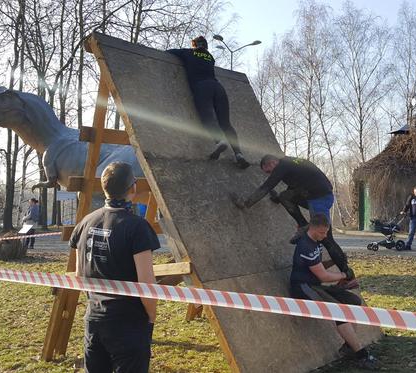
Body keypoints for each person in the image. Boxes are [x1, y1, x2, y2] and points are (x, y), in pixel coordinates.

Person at [70, 162, 159, 372]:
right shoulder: (138, 227)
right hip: (128, 323)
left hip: (94, 320)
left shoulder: (85, 222)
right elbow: (147, 284)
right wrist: (151, 318)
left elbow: (78, 275)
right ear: (133, 188)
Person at [230, 154, 352, 276]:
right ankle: (304, 225)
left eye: (268, 171)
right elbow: (294, 185)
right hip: (316, 194)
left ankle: (347, 274)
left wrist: (246, 203)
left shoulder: (282, 166)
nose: (269, 174)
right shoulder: (290, 162)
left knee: (326, 238)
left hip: (319, 198)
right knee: (285, 196)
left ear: (271, 163)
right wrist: (278, 199)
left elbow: (267, 186)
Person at [289, 214, 377, 370]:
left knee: (354, 302)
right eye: (322, 233)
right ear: (313, 228)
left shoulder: (316, 242)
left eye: (326, 233)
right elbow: (322, 275)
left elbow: (318, 265)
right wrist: (344, 275)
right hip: (302, 287)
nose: (324, 236)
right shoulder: (305, 246)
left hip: (315, 285)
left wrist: (335, 261)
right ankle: (361, 354)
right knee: (338, 311)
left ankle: (348, 347)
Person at [167, 36, 250, 169]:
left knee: (208, 117)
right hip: (218, 88)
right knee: (226, 123)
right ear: (206, 46)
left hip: (202, 87)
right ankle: (239, 154)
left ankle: (220, 141)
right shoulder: (211, 58)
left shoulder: (188, 52)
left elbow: (169, 51)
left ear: (194, 45)